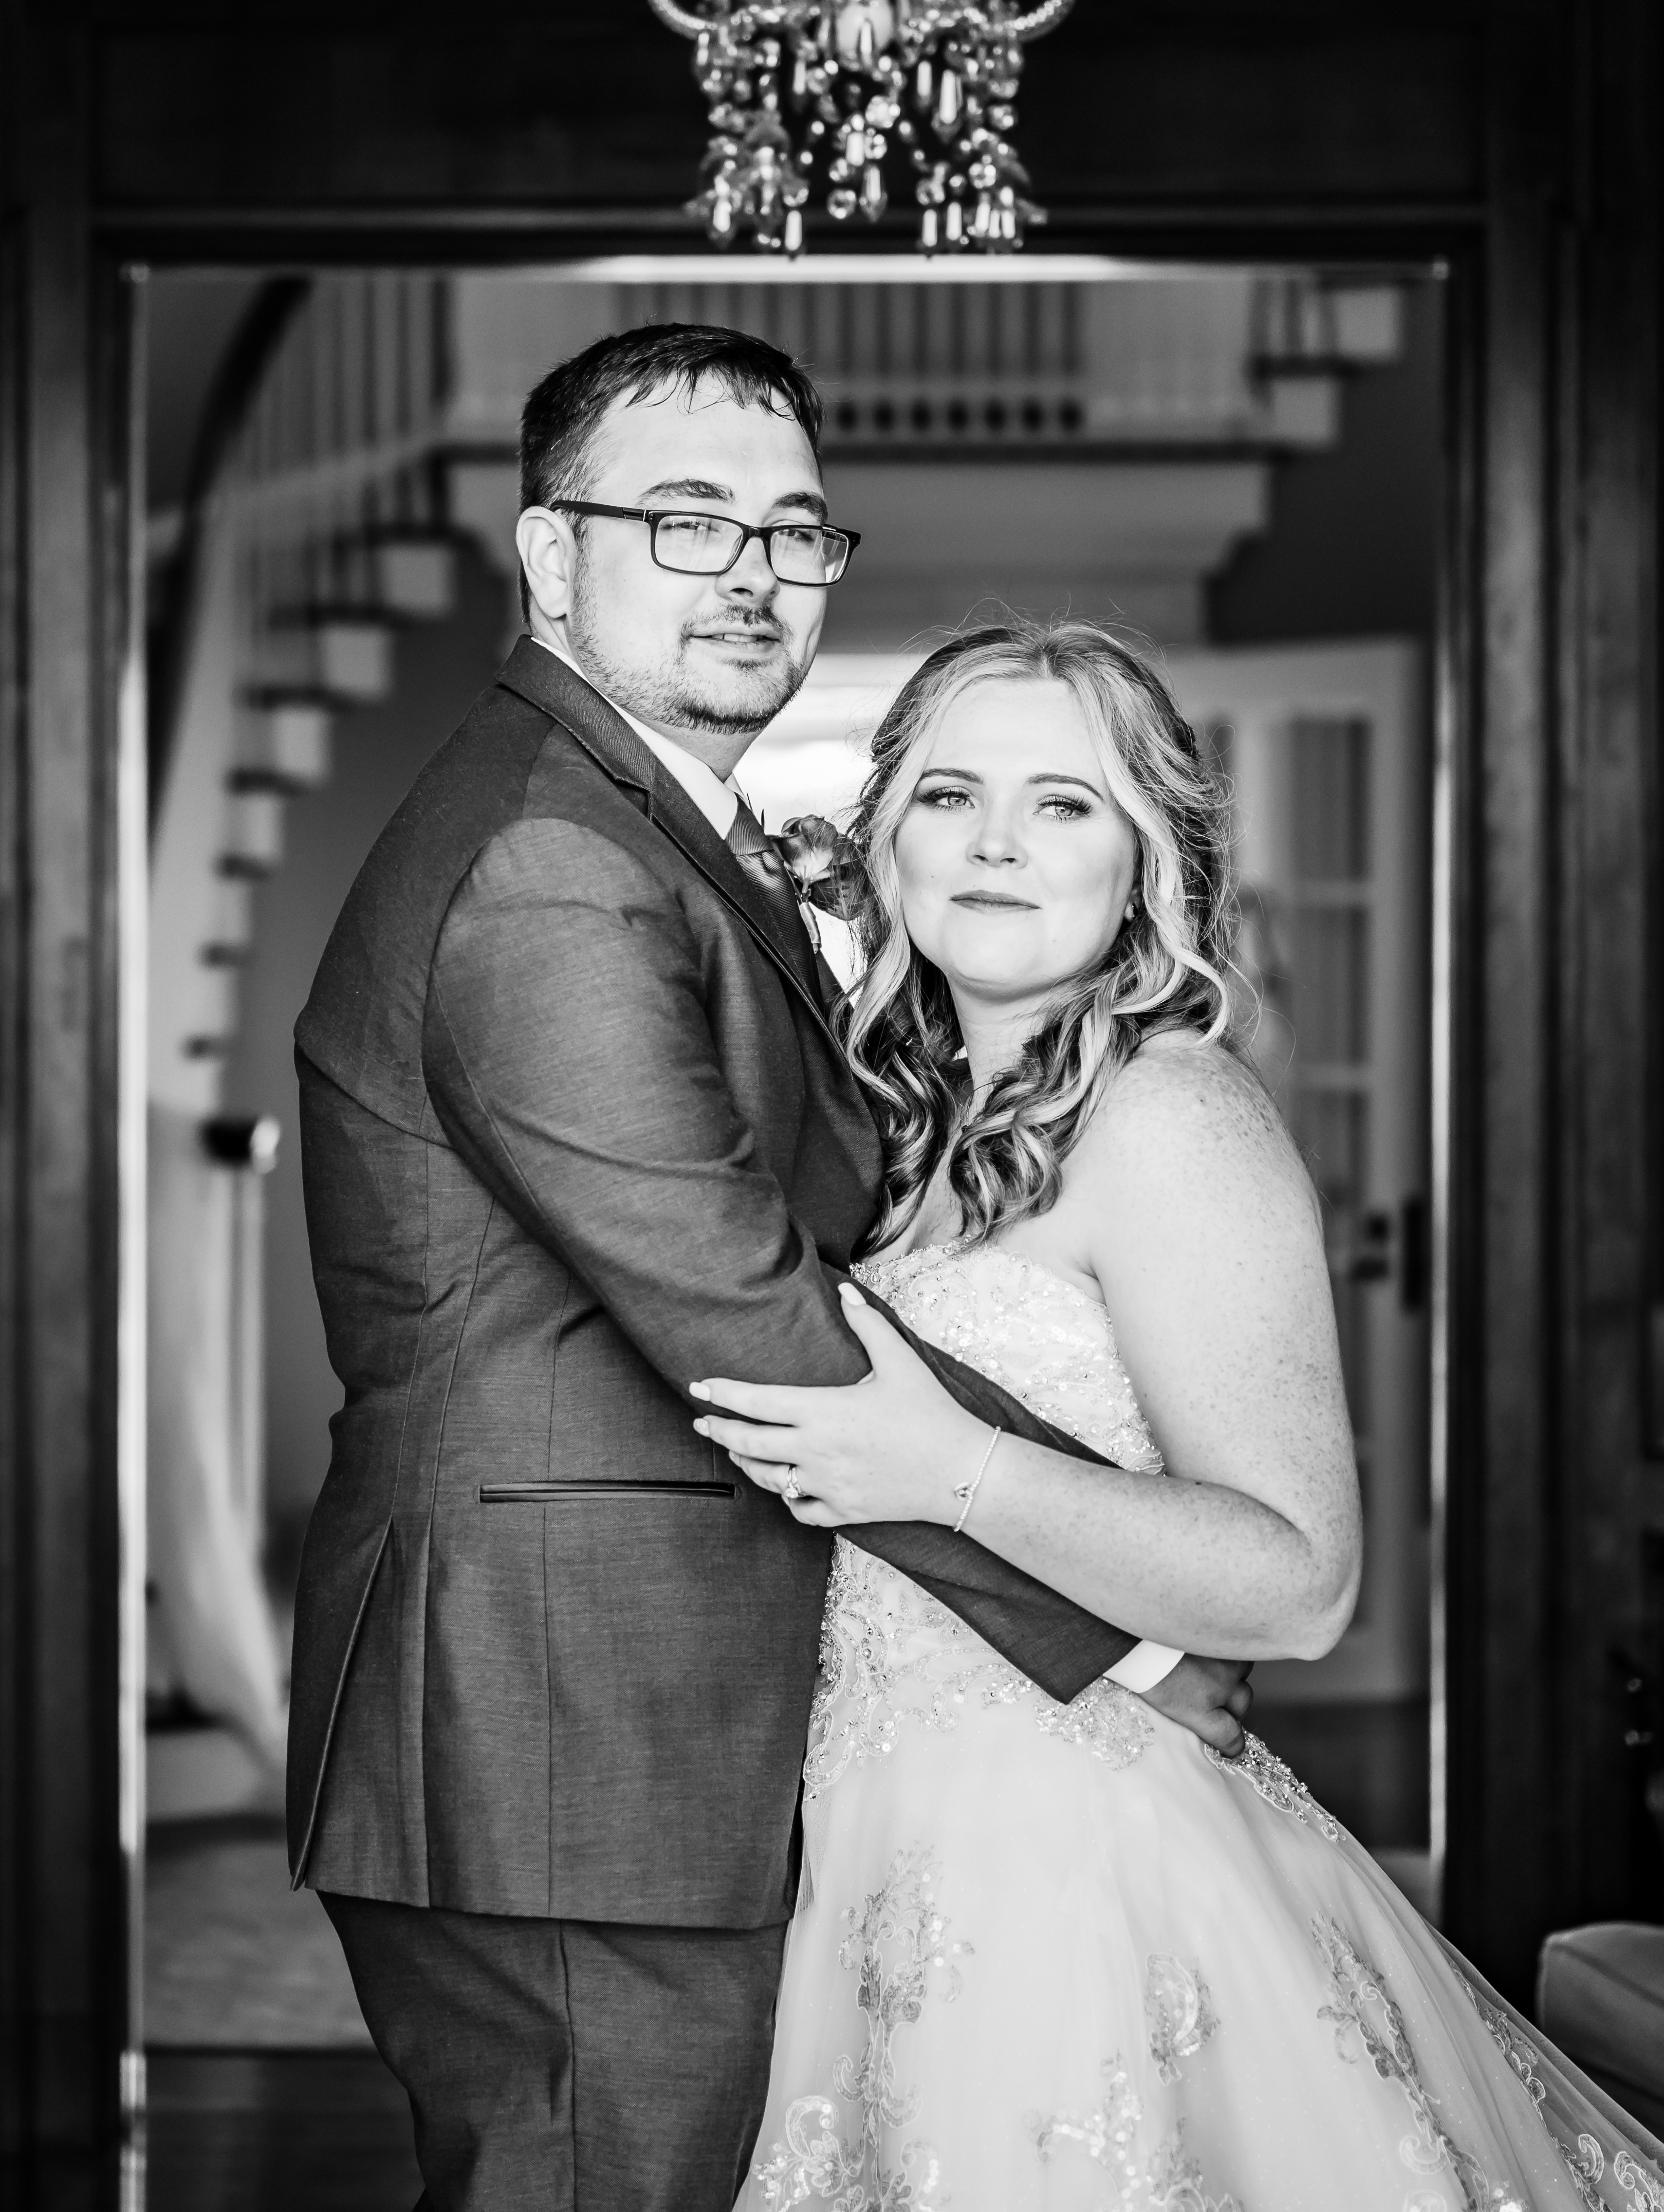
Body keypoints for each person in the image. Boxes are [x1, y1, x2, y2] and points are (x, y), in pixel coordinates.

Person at [287, 327, 1256, 2212]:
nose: (752, 571)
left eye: (794, 531)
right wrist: (1120, 1624)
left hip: (627, 1727)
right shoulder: (552, 860)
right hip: (559, 1727)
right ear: (550, 556)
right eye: (685, 519)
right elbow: (738, 1303)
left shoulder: (643, 826)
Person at [689, 620, 1664, 2212]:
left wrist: (953, 1469)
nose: (995, 844)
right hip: (863, 1841)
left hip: (1077, 1872)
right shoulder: (879, 1121)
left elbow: (1301, 1582)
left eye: (1063, 804)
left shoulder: (1171, 1116)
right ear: (887, 840)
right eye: (951, 796)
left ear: (1147, 865)